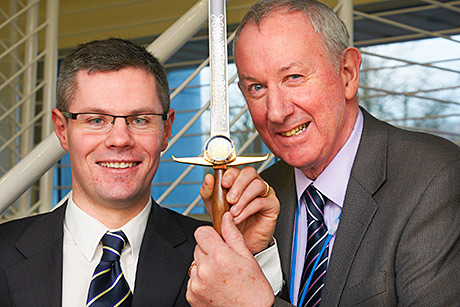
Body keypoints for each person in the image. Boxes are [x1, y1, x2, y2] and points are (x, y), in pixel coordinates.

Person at [186, 0, 460, 306]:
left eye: (294, 77)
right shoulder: (262, 196)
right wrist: (255, 258)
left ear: (348, 73)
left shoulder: (434, 178)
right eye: (257, 88)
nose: (276, 112)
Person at [0, 38, 280, 306]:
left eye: (140, 120)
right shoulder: (4, 251)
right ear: (62, 129)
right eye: (96, 120)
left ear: (166, 129)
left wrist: (251, 256)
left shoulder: (213, 257)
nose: (120, 139)